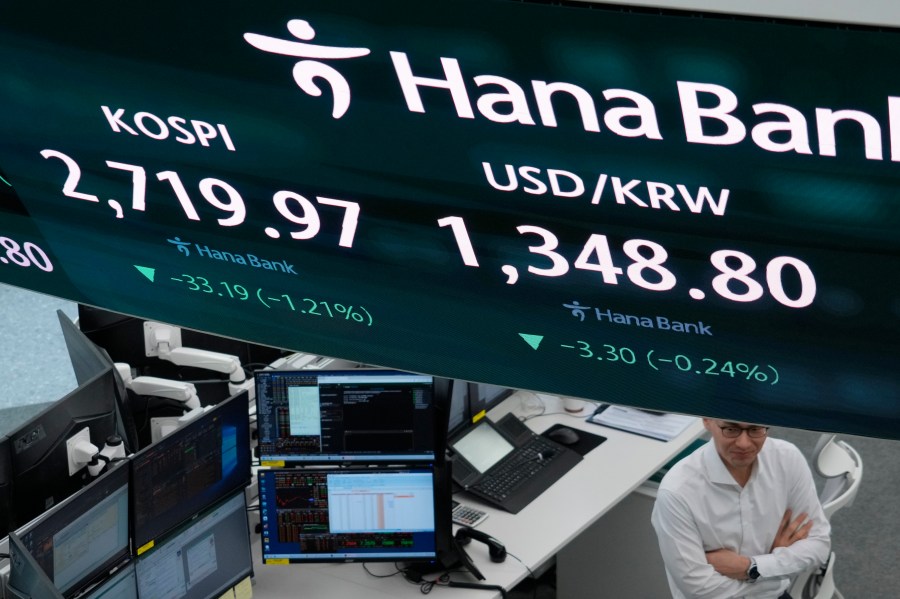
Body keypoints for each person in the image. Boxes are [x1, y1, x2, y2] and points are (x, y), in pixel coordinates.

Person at [651, 419, 831, 598]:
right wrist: (775, 569)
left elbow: (819, 544)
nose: (744, 443)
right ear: (707, 420)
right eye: (731, 429)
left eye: (755, 429)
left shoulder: (787, 458)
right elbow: (700, 589)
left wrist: (751, 567)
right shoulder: (677, 491)